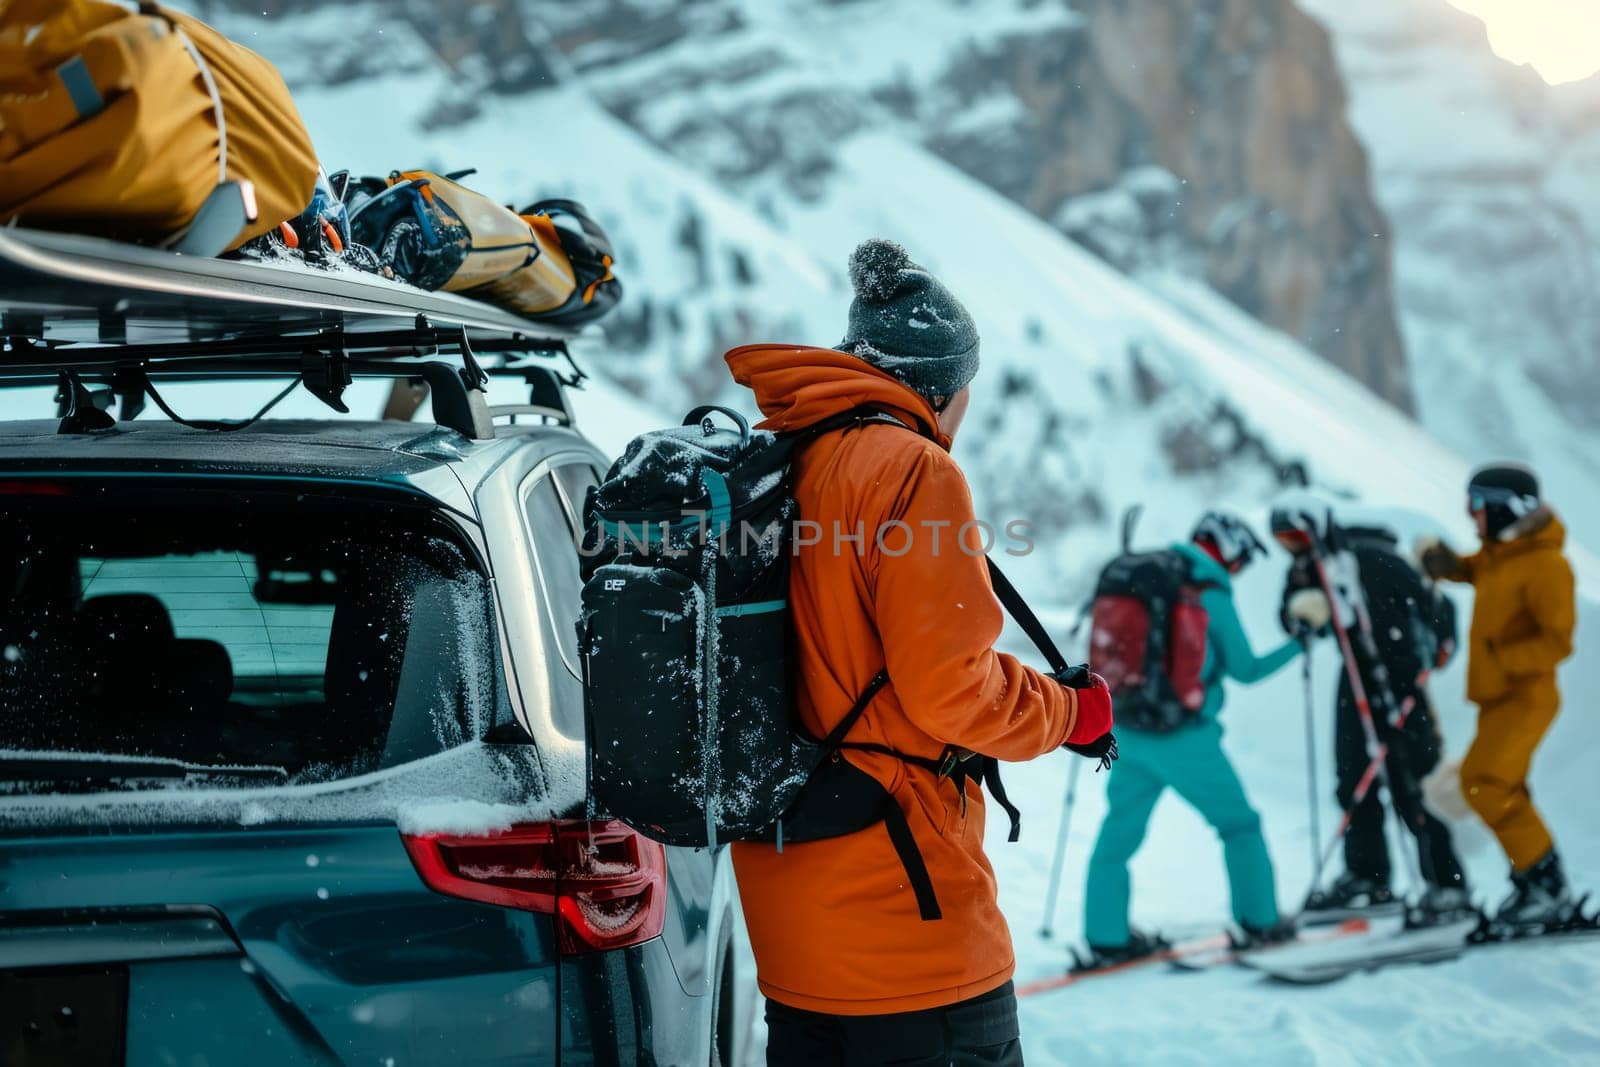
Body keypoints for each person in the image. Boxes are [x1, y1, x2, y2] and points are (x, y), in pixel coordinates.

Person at [725, 238, 1116, 1066]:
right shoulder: (911, 469)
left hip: (794, 929)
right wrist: (1067, 711)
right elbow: (950, 691)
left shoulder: (787, 457)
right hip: (909, 937)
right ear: (944, 387)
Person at [1081, 511, 1300, 965]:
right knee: (1240, 825)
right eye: (1240, 561)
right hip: (1183, 738)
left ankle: (1107, 936)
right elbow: (1247, 670)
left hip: (1126, 727)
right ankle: (1261, 921)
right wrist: (1303, 640)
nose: (1238, 571)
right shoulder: (1207, 590)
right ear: (1230, 549)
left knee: (1118, 834)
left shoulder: (1141, 574)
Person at [1273, 505, 1472, 921]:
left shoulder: (1374, 557)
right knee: (1353, 780)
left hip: (1401, 683)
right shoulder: (1316, 566)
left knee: (1414, 783)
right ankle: (1367, 876)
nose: (1293, 550)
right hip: (1356, 678)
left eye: (1296, 539)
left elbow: (1439, 612)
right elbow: (1291, 613)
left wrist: (1429, 657)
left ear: (1317, 529)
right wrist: (1302, 615)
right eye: (1284, 543)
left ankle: (1447, 886)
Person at [1419, 464, 1577, 927]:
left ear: (1507, 509)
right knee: (1500, 788)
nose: (1472, 518)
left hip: (1526, 698)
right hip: (1496, 698)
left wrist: (1500, 655)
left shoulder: (1548, 565)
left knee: (1485, 785)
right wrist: (1447, 565)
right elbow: (1475, 569)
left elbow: (1558, 641)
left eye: (1478, 507)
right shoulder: (1501, 554)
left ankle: (1548, 888)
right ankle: (1535, 885)